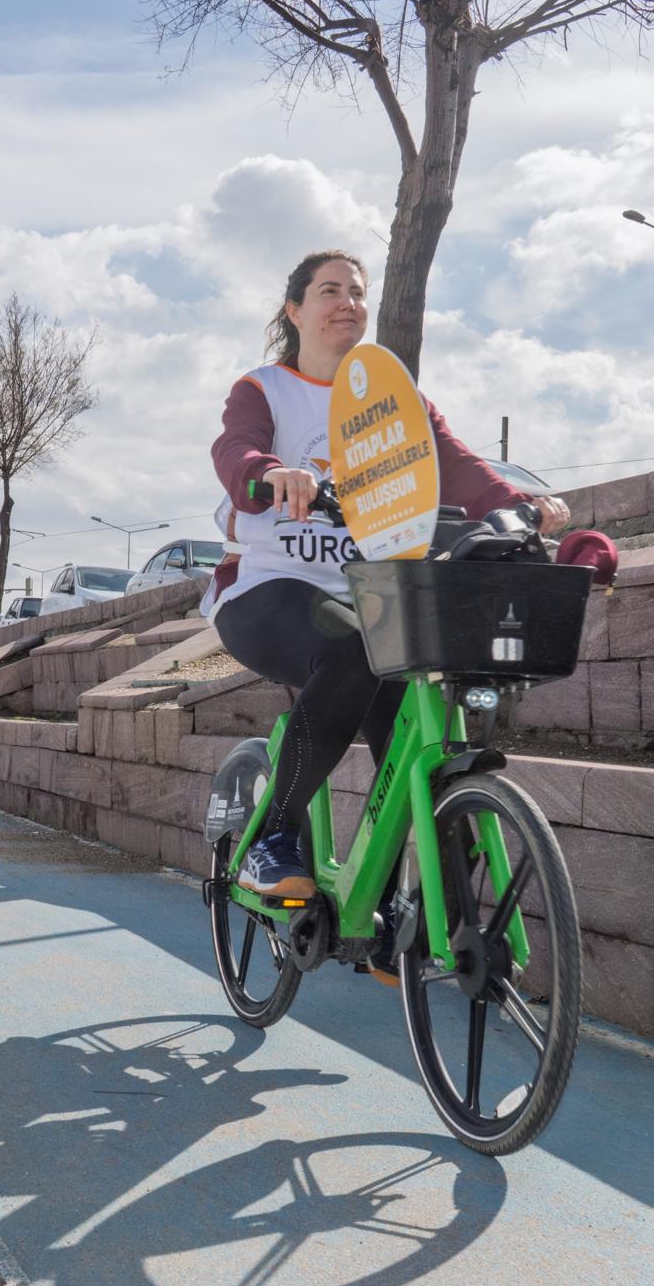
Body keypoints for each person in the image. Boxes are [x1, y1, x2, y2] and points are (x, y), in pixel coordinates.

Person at [206, 249, 570, 974]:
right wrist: (268, 474)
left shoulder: (392, 402)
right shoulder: (266, 388)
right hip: (266, 586)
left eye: (357, 293)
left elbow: (459, 466)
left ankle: (408, 922)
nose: (347, 302)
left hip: (367, 594)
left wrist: (520, 507)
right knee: (350, 652)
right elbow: (234, 448)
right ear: (295, 310)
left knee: (417, 733)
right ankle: (273, 838)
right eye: (329, 291)